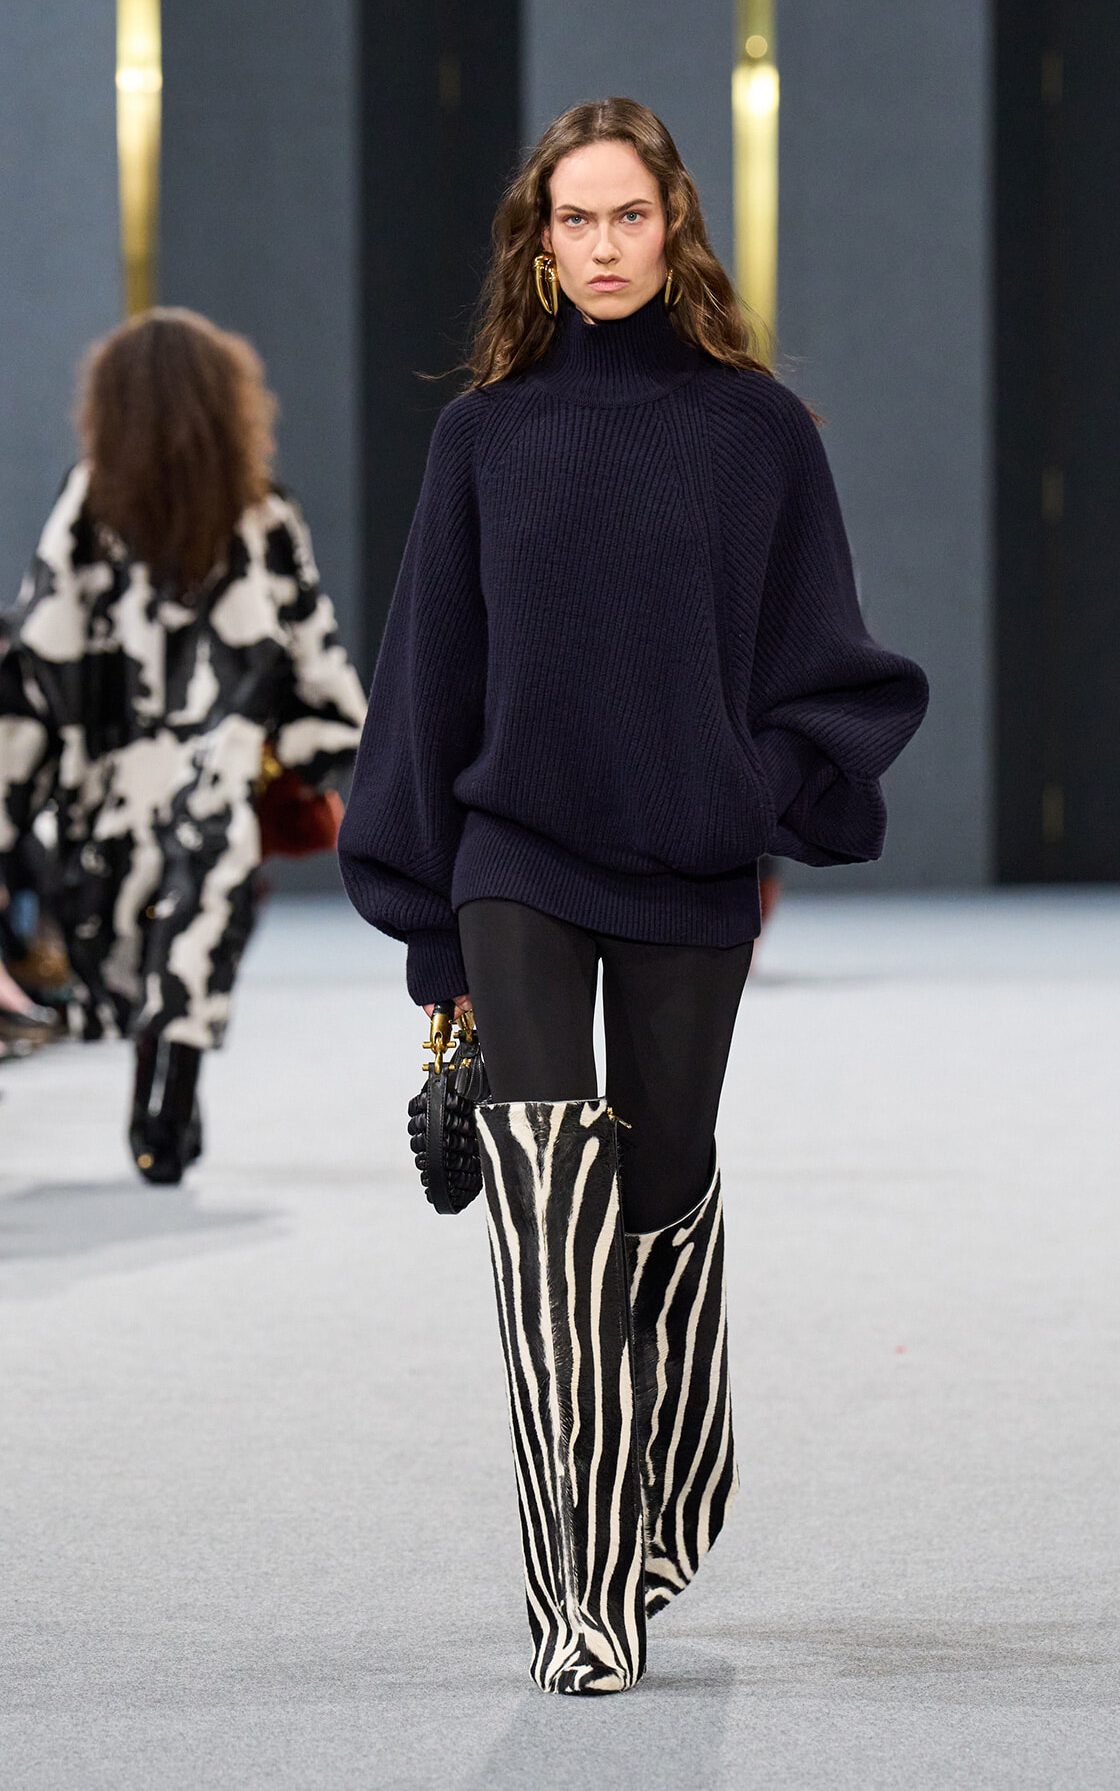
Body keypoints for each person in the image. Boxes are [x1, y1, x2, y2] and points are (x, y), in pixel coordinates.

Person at [339, 98, 929, 1694]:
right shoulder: (485, 433)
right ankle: (578, 1590)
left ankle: (671, 1485)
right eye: (572, 223)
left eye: (627, 219)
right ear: (538, 248)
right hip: (516, 850)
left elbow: (830, 659)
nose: (601, 249)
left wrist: (759, 794)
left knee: (663, 1190)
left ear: (674, 229)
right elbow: (427, 680)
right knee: (546, 1214)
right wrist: (428, 923)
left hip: (683, 857)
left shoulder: (755, 431)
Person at [0, 309, 365, 1180]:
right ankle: (171, 1085)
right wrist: (313, 749)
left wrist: (21, 789)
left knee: (114, 930)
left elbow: (42, 649)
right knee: (203, 924)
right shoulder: (264, 516)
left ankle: (151, 1074)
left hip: (108, 786)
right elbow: (315, 657)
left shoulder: (89, 505)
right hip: (218, 781)